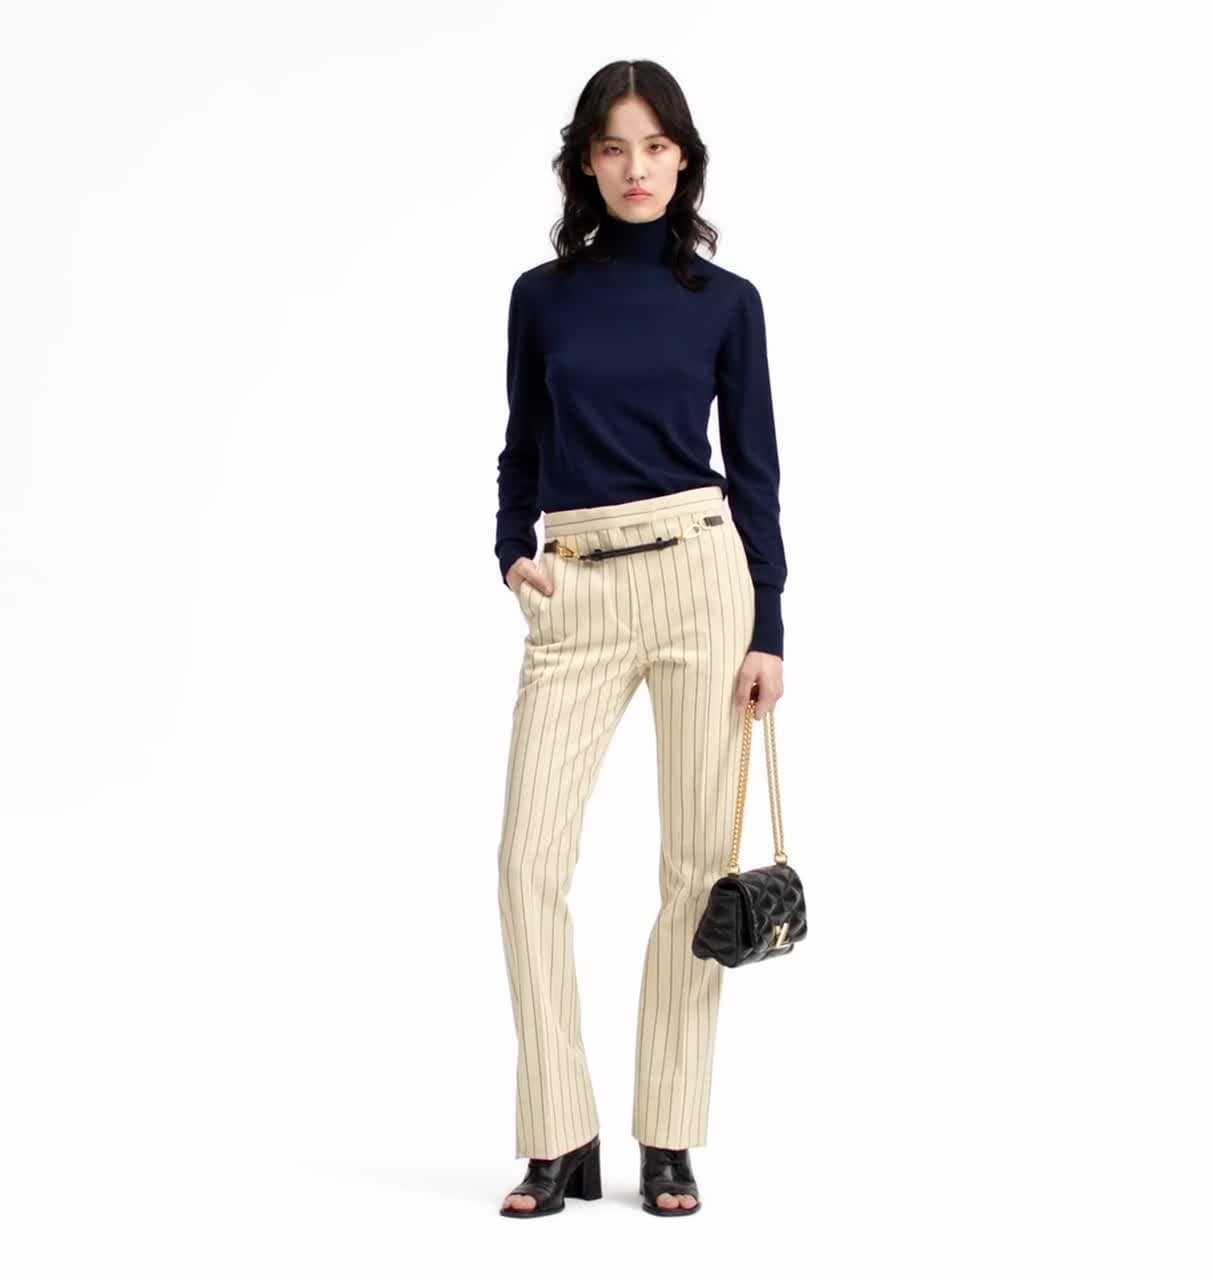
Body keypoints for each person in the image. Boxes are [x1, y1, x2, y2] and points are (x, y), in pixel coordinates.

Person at [494, 60, 787, 1219]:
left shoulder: (726, 302)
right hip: (575, 586)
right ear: (585, 161)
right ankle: (556, 1130)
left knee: (691, 869)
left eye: (656, 146)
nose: (635, 168)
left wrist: (768, 625)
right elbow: (521, 441)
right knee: (526, 863)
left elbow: (755, 472)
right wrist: (508, 548)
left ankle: (667, 1134)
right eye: (614, 147)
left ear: (683, 159)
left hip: (701, 581)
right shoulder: (541, 296)